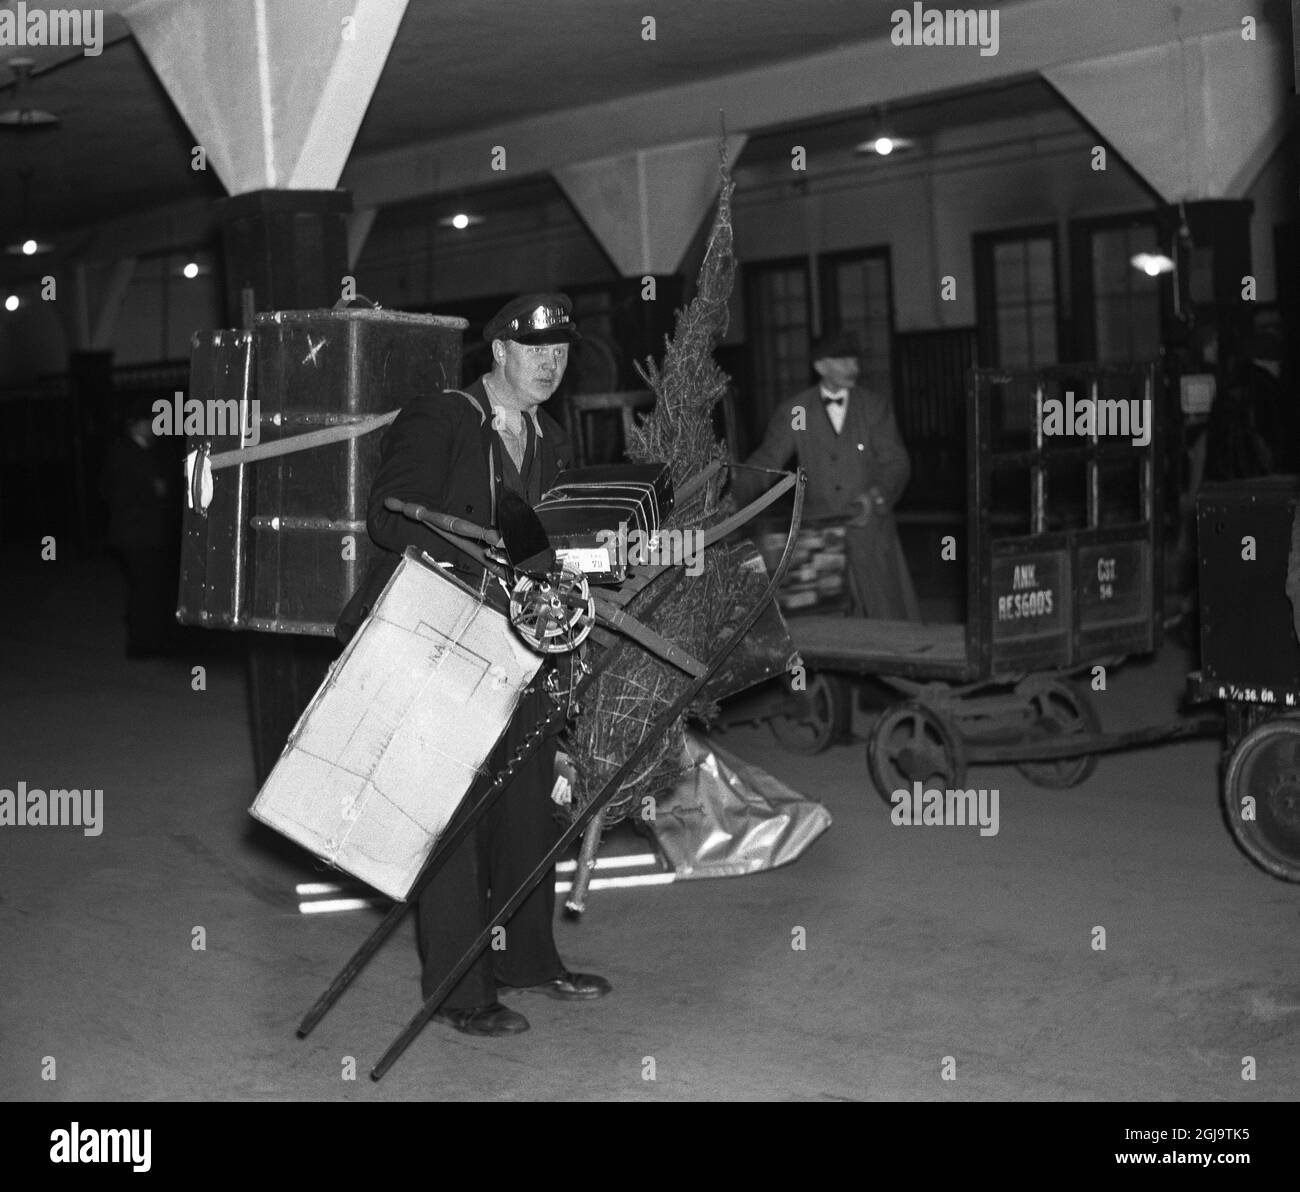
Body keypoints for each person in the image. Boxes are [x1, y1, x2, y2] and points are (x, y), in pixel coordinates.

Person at [339, 292, 611, 1037]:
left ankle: (528, 959)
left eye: (560, 351)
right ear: (498, 352)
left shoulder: (550, 437)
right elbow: (390, 514)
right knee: (454, 825)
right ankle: (461, 993)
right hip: (438, 639)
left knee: (530, 807)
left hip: (523, 645)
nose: (550, 363)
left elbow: (551, 544)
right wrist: (480, 541)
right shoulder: (443, 417)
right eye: (534, 350)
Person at [736, 329, 919, 619]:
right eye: (844, 361)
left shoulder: (874, 408)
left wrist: (875, 498)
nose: (855, 369)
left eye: (855, 361)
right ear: (820, 366)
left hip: (870, 532)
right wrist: (732, 494)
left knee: (885, 625)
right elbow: (768, 460)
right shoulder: (797, 411)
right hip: (818, 537)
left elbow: (897, 463)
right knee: (823, 627)